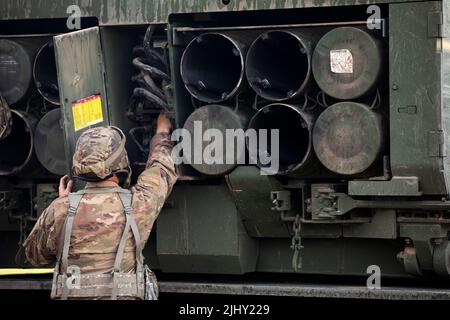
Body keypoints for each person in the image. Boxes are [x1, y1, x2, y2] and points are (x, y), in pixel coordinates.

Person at [23, 112, 177, 300]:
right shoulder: (139, 203)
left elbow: (34, 256)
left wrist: (61, 203)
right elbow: (162, 166)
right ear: (120, 162)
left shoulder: (60, 210)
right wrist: (162, 130)